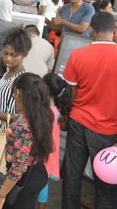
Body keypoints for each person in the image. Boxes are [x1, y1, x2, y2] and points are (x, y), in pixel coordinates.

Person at [62, 12, 117, 209]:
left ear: (92, 30)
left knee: (72, 174)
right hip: (109, 130)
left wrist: (65, 118)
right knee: (106, 182)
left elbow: (70, 93)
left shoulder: (78, 55)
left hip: (78, 121)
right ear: (114, 31)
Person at [0, 73, 53, 209]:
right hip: (38, 171)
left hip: (24, 180)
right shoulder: (42, 114)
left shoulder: (23, 127)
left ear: (17, 92)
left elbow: (18, 168)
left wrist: (0, 195)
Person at [37, 73, 66, 209]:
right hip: (50, 150)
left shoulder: (44, 110)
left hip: (41, 149)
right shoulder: (58, 109)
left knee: (37, 180)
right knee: (44, 182)